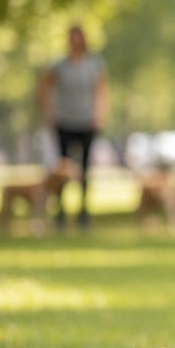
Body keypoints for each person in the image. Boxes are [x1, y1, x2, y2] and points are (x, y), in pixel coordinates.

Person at [39, 24, 108, 229]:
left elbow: (101, 91)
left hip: (87, 121)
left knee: (84, 168)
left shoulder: (94, 64)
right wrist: (50, 112)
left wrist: (99, 114)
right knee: (61, 169)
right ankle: (60, 210)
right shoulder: (60, 65)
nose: (75, 41)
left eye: (78, 38)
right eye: (72, 38)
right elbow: (45, 87)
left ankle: (84, 211)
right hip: (64, 121)